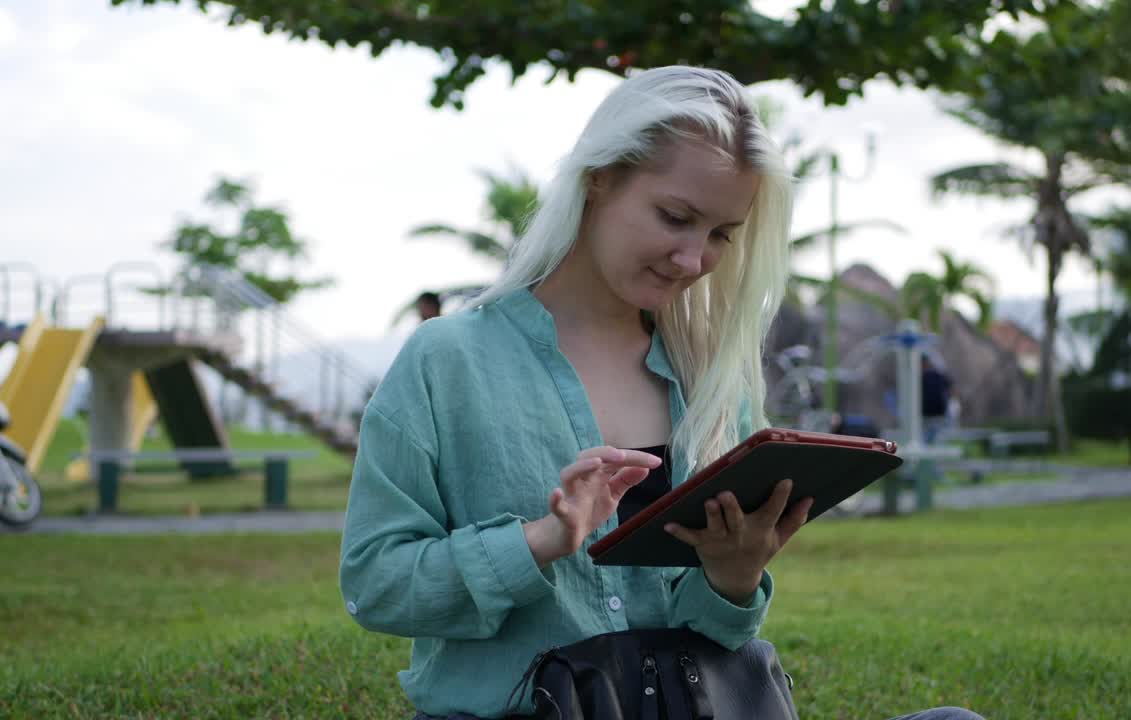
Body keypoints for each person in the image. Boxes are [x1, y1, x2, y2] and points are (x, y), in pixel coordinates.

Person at [340, 66, 984, 720]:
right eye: (675, 217)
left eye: (721, 235)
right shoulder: (447, 361)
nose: (693, 259)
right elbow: (375, 587)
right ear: (600, 177)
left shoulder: (706, 372)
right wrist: (539, 542)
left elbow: (712, 639)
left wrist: (732, 577)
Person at [921, 353, 952, 444]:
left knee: (936, 438)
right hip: (929, 414)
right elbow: (950, 390)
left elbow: (950, 390)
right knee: (933, 438)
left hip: (935, 413)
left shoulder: (936, 375)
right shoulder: (938, 375)